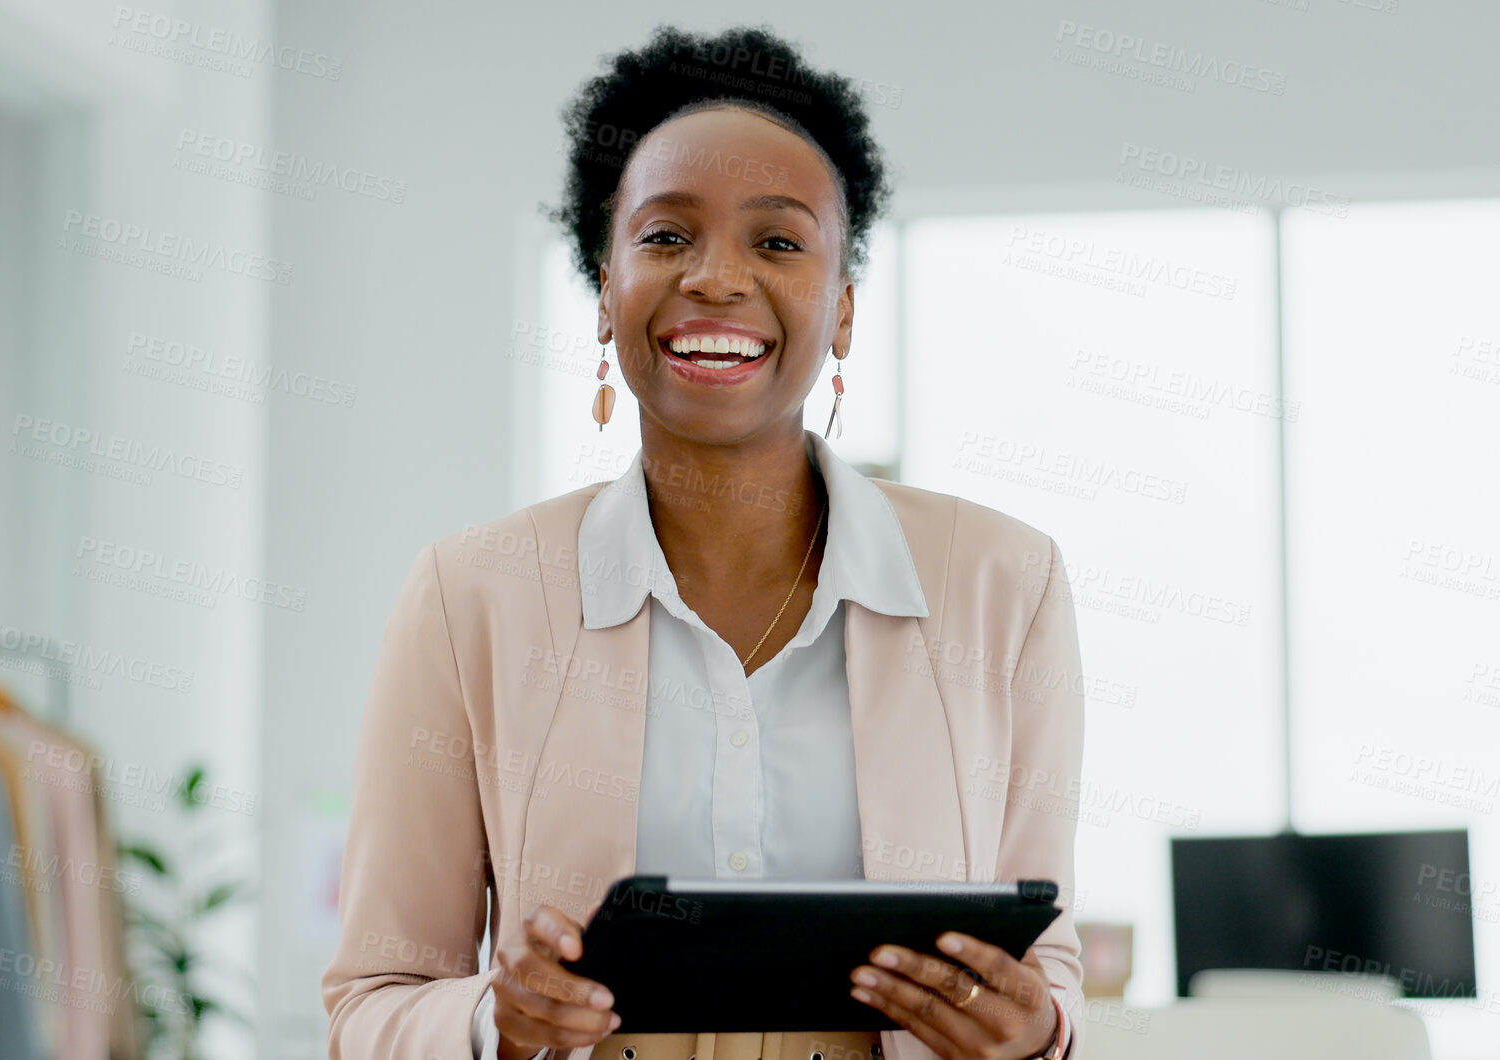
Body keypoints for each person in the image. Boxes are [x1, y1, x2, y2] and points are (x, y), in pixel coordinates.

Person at [322, 23, 1086, 1060]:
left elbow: (1048, 966)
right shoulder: (471, 595)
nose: (716, 279)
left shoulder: (1004, 580)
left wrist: (1034, 1031)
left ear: (844, 309)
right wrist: (491, 1020)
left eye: (776, 242)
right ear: (605, 289)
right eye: (665, 236)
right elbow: (373, 998)